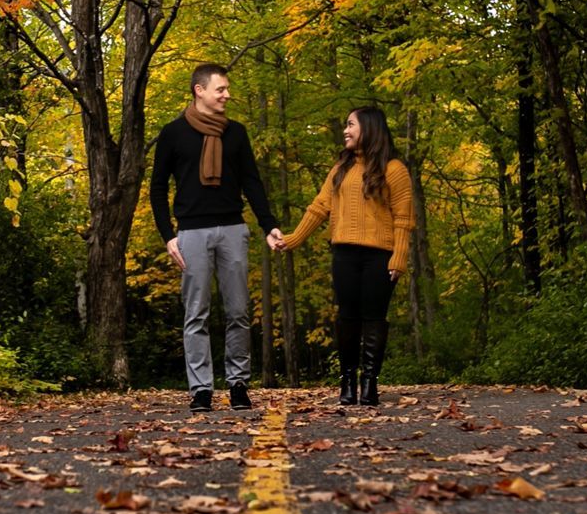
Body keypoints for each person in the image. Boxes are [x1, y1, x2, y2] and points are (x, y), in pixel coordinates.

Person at [149, 63, 280, 412]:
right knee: (196, 314)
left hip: (233, 229)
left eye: (227, 89)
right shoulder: (173, 133)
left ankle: (238, 384)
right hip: (190, 232)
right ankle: (201, 390)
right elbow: (158, 188)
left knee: (238, 310)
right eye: (221, 89)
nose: (227, 95)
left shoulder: (235, 133)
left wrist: (269, 225)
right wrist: (167, 236)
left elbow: (252, 181)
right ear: (199, 90)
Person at [269, 106, 414, 407]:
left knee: (374, 319)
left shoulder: (395, 169)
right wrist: (293, 238)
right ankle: (347, 382)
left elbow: (403, 219)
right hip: (344, 254)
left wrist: (399, 257)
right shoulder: (341, 168)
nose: (345, 131)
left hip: (380, 257)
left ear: (369, 128)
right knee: (347, 319)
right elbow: (320, 207)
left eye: (350, 125)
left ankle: (369, 384)